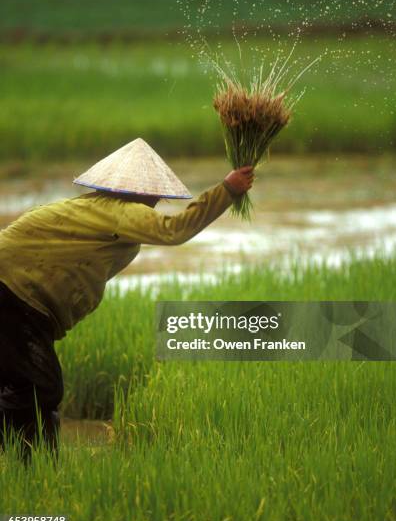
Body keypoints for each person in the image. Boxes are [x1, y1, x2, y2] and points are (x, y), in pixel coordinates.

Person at [0, 138, 254, 462]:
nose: (155, 203)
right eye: (153, 196)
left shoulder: (90, 210)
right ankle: (33, 469)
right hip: (13, 296)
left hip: (18, 300)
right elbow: (175, 230)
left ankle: (38, 474)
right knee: (41, 389)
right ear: (142, 193)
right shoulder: (121, 213)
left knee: (31, 393)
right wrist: (228, 190)